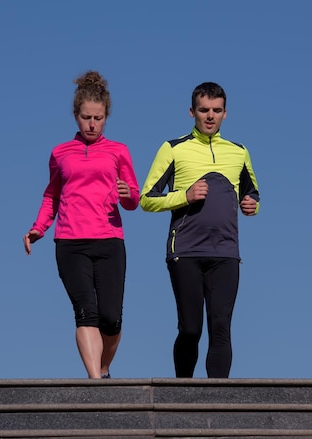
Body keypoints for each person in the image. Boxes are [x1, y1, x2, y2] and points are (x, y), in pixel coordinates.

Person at [23, 71, 140, 379]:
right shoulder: (60, 153)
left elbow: (132, 198)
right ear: (76, 116)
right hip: (71, 242)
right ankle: (95, 381)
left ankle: (103, 369)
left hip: (109, 240)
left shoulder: (118, 151)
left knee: (111, 319)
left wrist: (130, 196)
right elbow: (52, 195)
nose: (92, 124)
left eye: (98, 118)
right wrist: (39, 228)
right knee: (86, 312)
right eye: (86, 117)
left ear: (106, 117)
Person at [140, 82, 260, 378]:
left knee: (221, 328)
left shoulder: (239, 152)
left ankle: (216, 406)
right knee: (191, 328)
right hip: (186, 251)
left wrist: (251, 205)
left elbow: (252, 192)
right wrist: (185, 196)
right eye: (204, 110)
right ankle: (182, 393)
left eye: (216, 111)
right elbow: (146, 199)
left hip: (226, 252)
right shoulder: (173, 148)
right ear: (192, 112)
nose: (210, 116)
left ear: (225, 114)